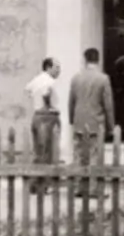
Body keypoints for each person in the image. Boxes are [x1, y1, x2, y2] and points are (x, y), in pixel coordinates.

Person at [68, 48, 115, 196]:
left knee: (78, 155)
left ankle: (78, 187)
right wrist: (111, 126)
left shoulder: (76, 78)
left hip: (79, 121)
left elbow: (71, 101)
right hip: (96, 122)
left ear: (85, 60)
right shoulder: (103, 79)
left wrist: (72, 119)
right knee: (95, 156)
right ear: (98, 60)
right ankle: (94, 188)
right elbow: (108, 105)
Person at [25, 57, 61, 193]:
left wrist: (36, 101)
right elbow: (46, 93)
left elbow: (28, 89)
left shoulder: (37, 79)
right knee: (48, 151)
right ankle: (44, 184)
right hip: (48, 116)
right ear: (48, 67)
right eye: (56, 67)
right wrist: (48, 105)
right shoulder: (49, 81)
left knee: (38, 151)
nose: (58, 71)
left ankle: (34, 183)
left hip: (36, 115)